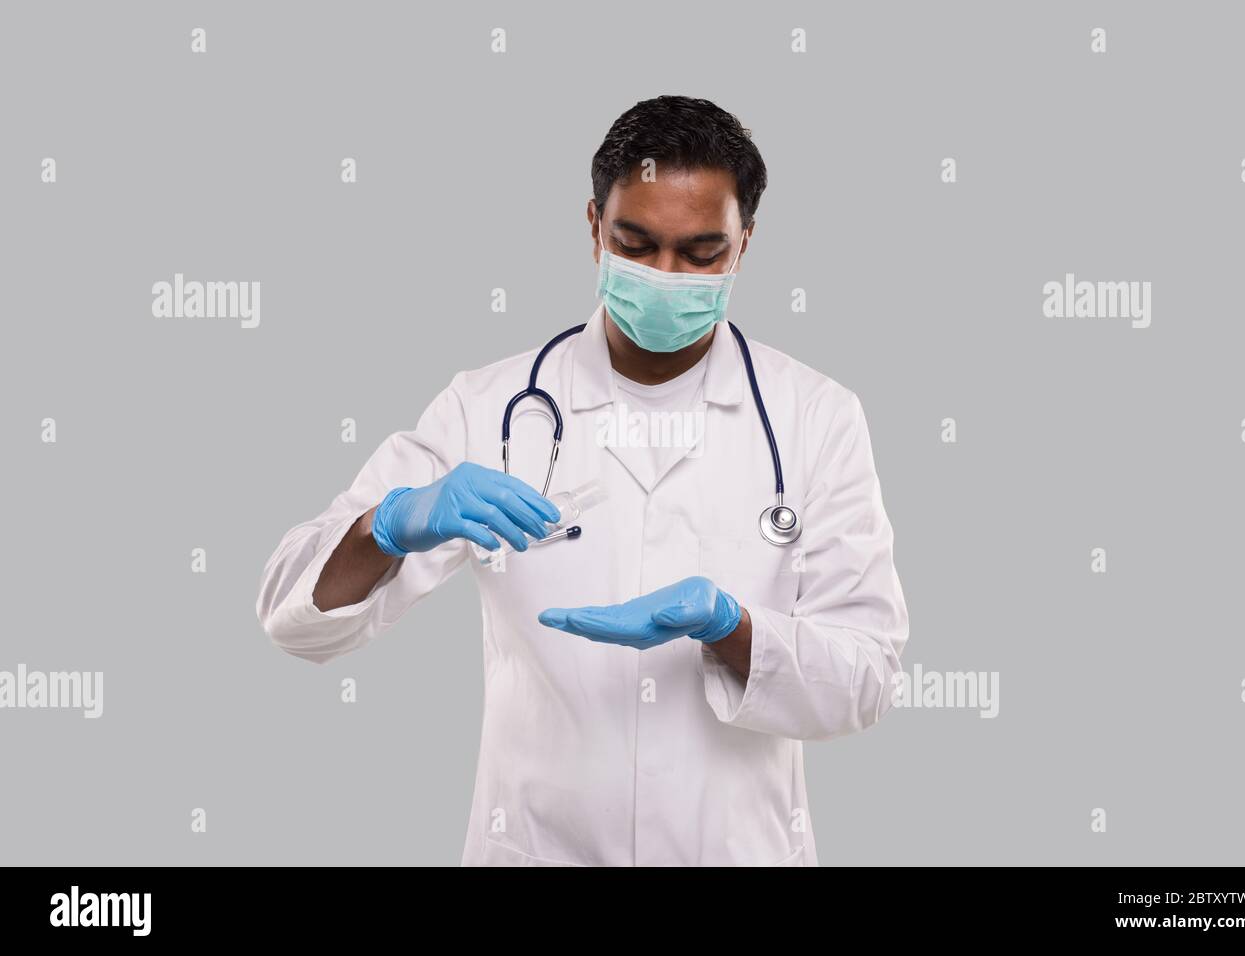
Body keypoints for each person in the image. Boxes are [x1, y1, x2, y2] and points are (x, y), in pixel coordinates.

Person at [256, 95, 908, 867]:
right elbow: (293, 618)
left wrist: (730, 627)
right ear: (594, 226)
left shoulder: (816, 418)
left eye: (701, 253)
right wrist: (391, 523)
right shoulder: (487, 406)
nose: (666, 276)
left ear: (745, 245)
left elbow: (865, 681)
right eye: (637, 243)